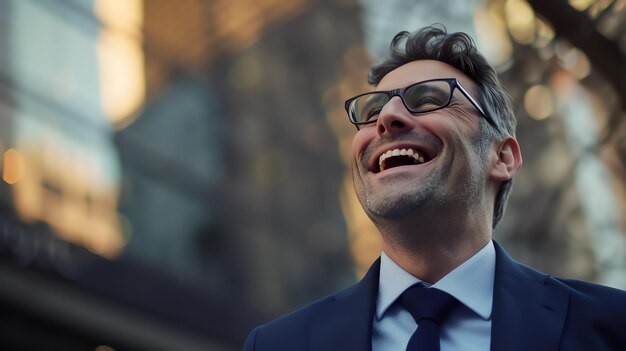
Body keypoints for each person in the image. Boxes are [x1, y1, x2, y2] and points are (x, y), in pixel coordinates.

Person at [243, 25, 626, 351]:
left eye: (428, 98)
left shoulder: (611, 326)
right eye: (371, 111)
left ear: (503, 158)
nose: (387, 118)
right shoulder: (278, 344)